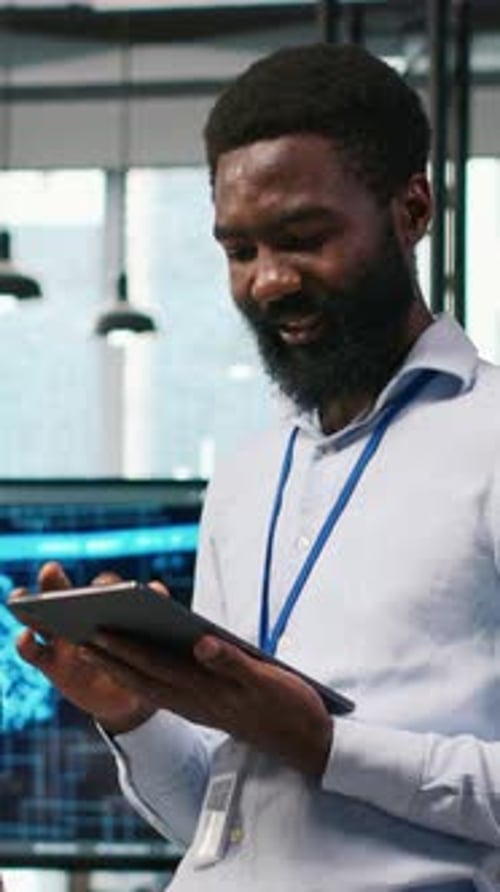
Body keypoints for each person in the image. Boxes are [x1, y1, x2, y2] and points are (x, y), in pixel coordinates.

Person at [14, 42, 500, 891]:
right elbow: (217, 822)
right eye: (239, 251)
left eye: (303, 238)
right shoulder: (246, 477)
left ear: (412, 208)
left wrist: (322, 741)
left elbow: (311, 757)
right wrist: (131, 714)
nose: (268, 282)